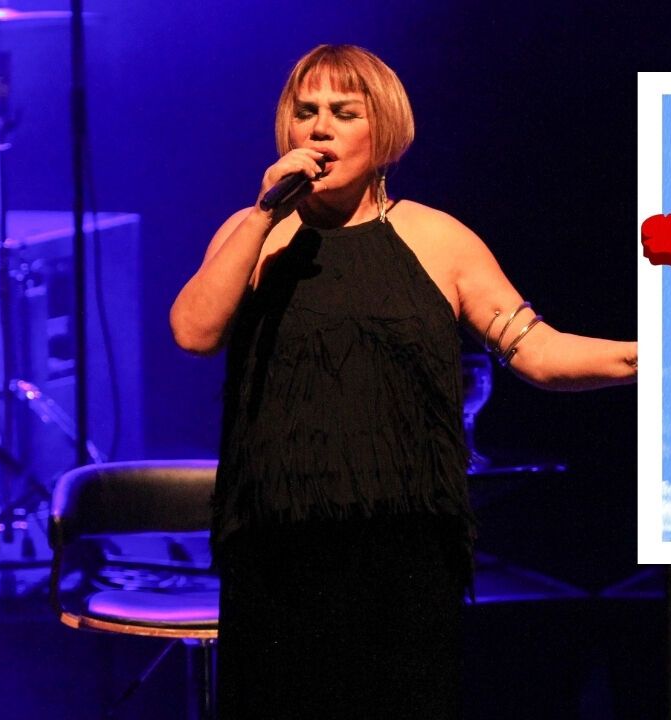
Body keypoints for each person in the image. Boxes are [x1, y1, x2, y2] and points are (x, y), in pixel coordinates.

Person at [169, 44, 636, 718]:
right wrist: (264, 212)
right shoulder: (257, 233)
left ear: (383, 129)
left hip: (407, 540)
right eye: (306, 112)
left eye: (343, 113)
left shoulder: (437, 239)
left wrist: (646, 359)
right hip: (278, 538)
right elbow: (193, 332)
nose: (319, 129)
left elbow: (538, 352)